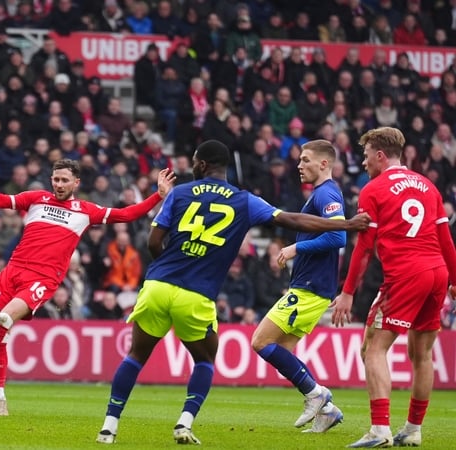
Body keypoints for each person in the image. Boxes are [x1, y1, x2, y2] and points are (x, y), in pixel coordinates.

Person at [94, 140, 369, 445]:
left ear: (200, 165)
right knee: (207, 360)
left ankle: (108, 427)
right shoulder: (244, 200)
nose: (299, 165)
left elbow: (152, 242)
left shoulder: (180, 192)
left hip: (158, 284)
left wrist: (170, 264)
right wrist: (348, 224)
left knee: (135, 356)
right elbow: (291, 219)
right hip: (196, 294)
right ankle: (185, 423)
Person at [0, 159, 175, 417]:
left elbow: (127, 214)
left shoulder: (85, 210)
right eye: (56, 179)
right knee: (0, 335)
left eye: (65, 180)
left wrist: (158, 195)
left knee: (5, 318)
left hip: (42, 278)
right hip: (13, 270)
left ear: (76, 182)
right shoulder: (36, 198)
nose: (59, 184)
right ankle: (0, 399)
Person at [331, 127, 456, 448]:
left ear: (380, 155)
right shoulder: (428, 186)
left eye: (366, 154)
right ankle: (413, 429)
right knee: (422, 353)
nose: (364, 161)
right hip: (437, 272)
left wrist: (347, 291)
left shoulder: (373, 189)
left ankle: (380, 429)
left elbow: (364, 248)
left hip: (406, 275)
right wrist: (455, 280)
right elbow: (446, 241)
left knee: (373, 348)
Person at [250, 140, 347, 433]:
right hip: (311, 285)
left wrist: (296, 249)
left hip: (311, 286)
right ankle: (327, 411)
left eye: (305, 160)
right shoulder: (319, 195)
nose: (299, 165)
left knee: (260, 341)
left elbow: (339, 237)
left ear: (323, 164)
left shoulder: (327, 193)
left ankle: (317, 395)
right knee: (284, 349)